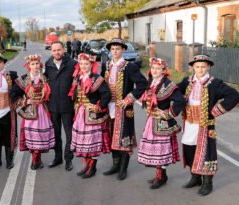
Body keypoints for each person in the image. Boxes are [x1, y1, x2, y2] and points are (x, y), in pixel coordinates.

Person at [177, 55, 239, 196]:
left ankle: (207, 183)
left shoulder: (215, 83)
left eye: (203, 66)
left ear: (209, 67)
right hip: (189, 122)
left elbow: (234, 95)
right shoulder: (187, 81)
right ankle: (195, 177)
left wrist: (216, 111)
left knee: (206, 153)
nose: (200, 69)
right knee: (189, 150)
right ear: (193, 67)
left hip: (205, 125)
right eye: (197, 66)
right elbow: (174, 91)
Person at [101, 38, 147, 180]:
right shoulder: (106, 65)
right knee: (111, 135)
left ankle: (123, 168)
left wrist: (129, 98)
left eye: (118, 49)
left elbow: (142, 83)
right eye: (113, 49)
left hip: (123, 108)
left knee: (124, 136)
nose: (115, 51)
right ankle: (115, 165)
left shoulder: (129, 67)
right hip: (109, 106)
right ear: (110, 50)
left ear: (123, 50)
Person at [137, 57, 186, 189]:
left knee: (161, 150)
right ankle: (161, 175)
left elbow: (180, 101)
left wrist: (166, 113)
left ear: (164, 71)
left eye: (158, 68)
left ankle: (161, 176)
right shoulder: (151, 83)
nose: (154, 70)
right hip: (151, 122)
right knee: (155, 150)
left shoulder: (168, 85)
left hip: (163, 123)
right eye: (153, 68)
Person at [69, 53, 111, 178]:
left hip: (92, 115)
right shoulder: (77, 78)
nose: (83, 66)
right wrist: (76, 104)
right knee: (83, 141)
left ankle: (92, 168)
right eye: (81, 64)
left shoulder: (97, 79)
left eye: (86, 64)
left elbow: (106, 95)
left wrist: (97, 107)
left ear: (92, 64)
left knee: (91, 142)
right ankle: (87, 165)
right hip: (81, 115)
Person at [10, 54, 55, 170]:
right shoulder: (24, 79)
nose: (35, 66)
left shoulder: (45, 78)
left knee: (41, 135)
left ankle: (38, 159)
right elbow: (13, 94)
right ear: (29, 66)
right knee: (32, 136)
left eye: (37, 64)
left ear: (40, 65)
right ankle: (35, 160)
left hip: (43, 111)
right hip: (30, 112)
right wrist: (24, 102)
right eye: (32, 64)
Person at [44, 40, 77, 171]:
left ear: (63, 49)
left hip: (67, 106)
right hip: (53, 106)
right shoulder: (48, 64)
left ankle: (68, 160)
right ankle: (57, 158)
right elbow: (43, 81)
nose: (57, 52)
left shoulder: (73, 64)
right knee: (55, 134)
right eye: (54, 50)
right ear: (51, 51)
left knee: (69, 135)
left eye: (59, 49)